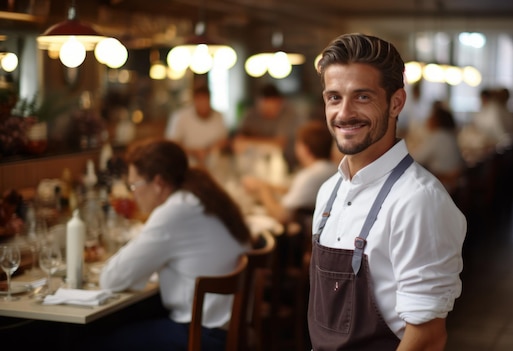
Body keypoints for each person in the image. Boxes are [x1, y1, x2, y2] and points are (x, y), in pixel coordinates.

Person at [308, 33, 466, 350]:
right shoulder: (329, 191)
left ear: (396, 102)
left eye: (362, 97)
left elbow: (427, 338)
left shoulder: (419, 200)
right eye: (334, 97)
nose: (344, 113)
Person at [98, 138, 252, 350]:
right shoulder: (199, 197)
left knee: (100, 341)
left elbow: (111, 278)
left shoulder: (174, 211)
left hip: (205, 336)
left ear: (159, 183)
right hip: (228, 326)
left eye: (134, 185)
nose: (132, 193)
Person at [241, 120, 336, 224]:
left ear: (305, 149)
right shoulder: (332, 170)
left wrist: (262, 189)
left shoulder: (310, 175)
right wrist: (265, 185)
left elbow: (281, 215)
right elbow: (294, 190)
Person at [232, 83, 306, 171]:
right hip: (255, 164)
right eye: (264, 108)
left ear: (280, 102)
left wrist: (249, 141)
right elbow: (239, 140)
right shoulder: (251, 114)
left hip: (288, 164)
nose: (268, 112)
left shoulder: (289, 114)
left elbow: (280, 143)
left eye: (271, 108)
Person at [165, 84, 229, 168]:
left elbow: (224, 139)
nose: (203, 104)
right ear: (194, 100)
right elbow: (171, 144)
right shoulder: (180, 117)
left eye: (205, 100)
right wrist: (193, 152)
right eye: (199, 100)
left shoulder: (219, 116)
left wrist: (209, 150)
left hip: (214, 165)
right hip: (186, 164)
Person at [410, 101, 465, 194]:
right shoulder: (450, 135)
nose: (428, 119)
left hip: (443, 186)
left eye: (431, 116)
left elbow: (416, 158)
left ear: (437, 120)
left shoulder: (437, 137)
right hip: (455, 185)